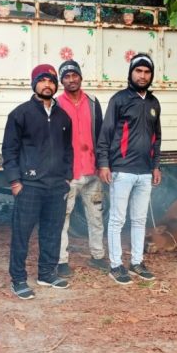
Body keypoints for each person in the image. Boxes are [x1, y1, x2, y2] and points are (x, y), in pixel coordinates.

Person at [2, 64, 74, 299]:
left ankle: (46, 273)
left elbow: (68, 149)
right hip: (29, 184)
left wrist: (67, 177)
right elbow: (9, 150)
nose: (47, 85)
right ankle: (18, 279)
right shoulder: (20, 114)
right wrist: (15, 182)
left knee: (52, 231)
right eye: (42, 80)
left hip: (56, 185)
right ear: (34, 84)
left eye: (51, 81)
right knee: (21, 234)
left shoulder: (63, 116)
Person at [97, 53, 161, 284]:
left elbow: (156, 137)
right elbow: (106, 133)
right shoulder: (119, 99)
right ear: (131, 73)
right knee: (117, 220)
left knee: (139, 220)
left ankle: (136, 262)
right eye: (138, 71)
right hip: (122, 169)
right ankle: (115, 265)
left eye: (147, 72)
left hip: (145, 172)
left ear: (151, 75)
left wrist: (156, 166)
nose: (142, 76)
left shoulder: (154, 103)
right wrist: (104, 163)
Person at [55, 60, 108, 276]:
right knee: (63, 217)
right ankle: (61, 261)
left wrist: (103, 164)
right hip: (69, 174)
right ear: (61, 81)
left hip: (92, 171)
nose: (71, 80)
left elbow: (102, 136)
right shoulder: (56, 104)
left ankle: (98, 256)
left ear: (80, 77)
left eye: (74, 75)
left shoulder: (93, 103)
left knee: (96, 216)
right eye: (66, 77)